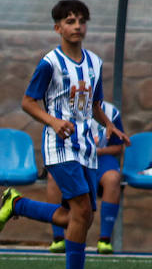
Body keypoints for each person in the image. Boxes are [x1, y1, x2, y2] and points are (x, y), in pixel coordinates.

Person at [0, 0, 127, 269]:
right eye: (69, 21)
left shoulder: (94, 63)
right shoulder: (50, 63)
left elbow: (93, 105)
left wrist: (109, 125)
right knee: (80, 210)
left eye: (81, 21)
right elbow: (28, 102)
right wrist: (52, 122)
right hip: (60, 147)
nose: (77, 26)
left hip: (87, 148)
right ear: (58, 28)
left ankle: (17, 204)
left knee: (82, 216)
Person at [45, 98, 124, 254]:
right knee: (53, 178)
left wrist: (98, 151)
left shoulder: (111, 112)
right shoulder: (64, 110)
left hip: (101, 158)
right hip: (72, 156)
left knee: (113, 178)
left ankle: (104, 240)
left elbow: (118, 146)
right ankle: (58, 238)